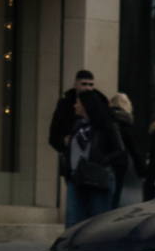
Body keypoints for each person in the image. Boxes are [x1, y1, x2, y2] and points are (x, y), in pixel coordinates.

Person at [64, 91, 125, 226]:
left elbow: (119, 151)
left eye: (78, 103)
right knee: (72, 221)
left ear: (86, 105)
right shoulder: (77, 127)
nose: (75, 106)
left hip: (98, 179)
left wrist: (101, 161)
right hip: (76, 179)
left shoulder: (105, 126)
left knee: (97, 224)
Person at [49, 70, 107, 154]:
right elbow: (53, 136)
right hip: (72, 155)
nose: (87, 88)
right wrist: (64, 141)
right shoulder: (65, 105)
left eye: (90, 85)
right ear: (75, 84)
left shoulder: (100, 104)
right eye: (84, 84)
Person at [108, 93, 146, 209]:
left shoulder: (106, 119)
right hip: (119, 164)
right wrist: (142, 173)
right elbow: (134, 150)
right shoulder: (124, 123)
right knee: (115, 198)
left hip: (103, 163)